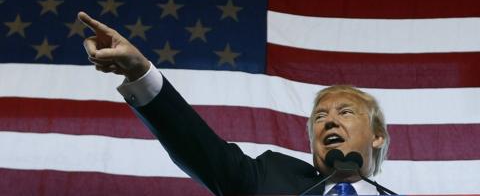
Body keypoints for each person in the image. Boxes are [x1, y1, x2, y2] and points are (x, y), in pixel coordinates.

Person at [78, 11, 391, 195]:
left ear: (378, 135)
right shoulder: (271, 177)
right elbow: (200, 149)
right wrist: (140, 71)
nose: (329, 122)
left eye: (345, 111)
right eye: (319, 117)